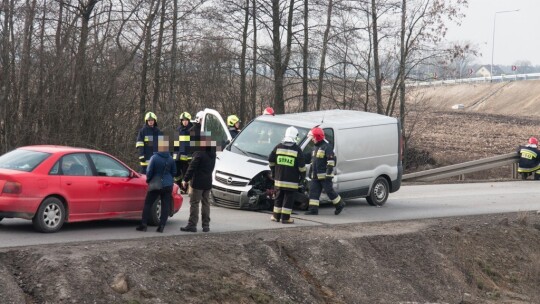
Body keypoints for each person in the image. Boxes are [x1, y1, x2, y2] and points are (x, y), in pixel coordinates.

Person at [136, 135, 176, 233]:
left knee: (148, 203)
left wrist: (149, 180)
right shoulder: (170, 159)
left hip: (156, 184)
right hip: (168, 185)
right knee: (165, 205)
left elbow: (149, 171)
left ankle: (144, 225)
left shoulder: (154, 158)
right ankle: (161, 226)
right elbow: (174, 172)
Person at [180, 127, 217, 233]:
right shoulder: (212, 153)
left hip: (198, 182)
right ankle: (206, 225)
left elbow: (192, 167)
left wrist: (185, 179)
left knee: (194, 203)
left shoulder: (199, 152)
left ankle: (192, 225)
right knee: (206, 203)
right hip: (208, 181)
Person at [268, 126, 306, 224]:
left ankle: (275, 216)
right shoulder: (297, 149)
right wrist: (302, 176)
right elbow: (301, 166)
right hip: (291, 181)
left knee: (278, 197)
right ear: (295, 136)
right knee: (288, 199)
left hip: (279, 179)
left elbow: (271, 160)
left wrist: (273, 171)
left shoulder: (278, 147)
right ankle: (285, 218)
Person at [305, 127, 345, 215]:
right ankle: (313, 210)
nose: (312, 139)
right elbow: (312, 160)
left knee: (329, 191)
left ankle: (340, 204)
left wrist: (328, 174)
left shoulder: (327, 147)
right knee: (313, 192)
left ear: (318, 137)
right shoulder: (315, 147)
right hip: (315, 176)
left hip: (325, 176)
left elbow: (331, 162)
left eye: (313, 137)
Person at [173, 112, 193, 185]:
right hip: (178, 157)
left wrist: (190, 156)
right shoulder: (178, 129)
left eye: (186, 120)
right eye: (183, 120)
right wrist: (174, 155)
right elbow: (175, 144)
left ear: (189, 120)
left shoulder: (192, 130)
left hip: (187, 158)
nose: (184, 122)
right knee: (176, 172)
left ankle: (185, 187)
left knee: (186, 173)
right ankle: (179, 185)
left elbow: (193, 144)